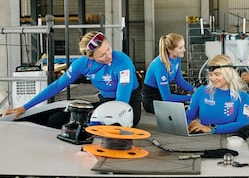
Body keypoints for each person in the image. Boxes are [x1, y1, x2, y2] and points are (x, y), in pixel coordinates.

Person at [2, 31, 141, 128]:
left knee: (106, 124)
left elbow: (122, 100)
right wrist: (24, 107)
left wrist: (97, 117)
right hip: (104, 102)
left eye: (109, 49)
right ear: (90, 57)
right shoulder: (82, 64)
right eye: (102, 55)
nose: (109, 56)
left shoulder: (123, 62)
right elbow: (57, 86)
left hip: (127, 106)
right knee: (54, 120)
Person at [186, 54, 249, 134]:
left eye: (217, 74)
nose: (213, 78)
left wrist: (212, 129)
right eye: (210, 75)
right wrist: (191, 125)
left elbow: (243, 123)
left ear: (229, 74)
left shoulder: (243, 96)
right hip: (204, 139)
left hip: (229, 139)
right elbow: (188, 117)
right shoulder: (201, 92)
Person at [142, 33, 195, 113]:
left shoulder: (176, 58)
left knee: (192, 104)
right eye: (180, 48)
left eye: (183, 46)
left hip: (162, 94)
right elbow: (167, 98)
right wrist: (191, 97)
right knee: (183, 108)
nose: (184, 50)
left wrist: (195, 90)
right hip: (152, 100)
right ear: (170, 50)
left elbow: (179, 80)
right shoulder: (160, 65)